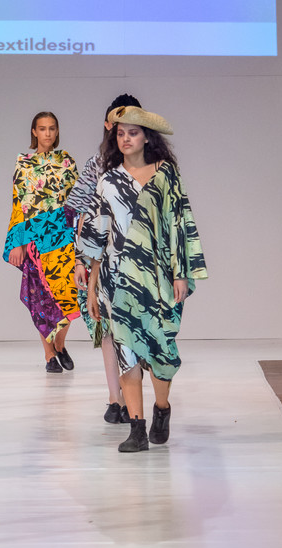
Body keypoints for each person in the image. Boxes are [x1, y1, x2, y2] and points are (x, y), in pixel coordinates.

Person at [77, 105, 207, 452]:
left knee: (162, 350)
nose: (125, 139)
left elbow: (179, 225)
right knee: (126, 351)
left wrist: (181, 273)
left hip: (158, 277)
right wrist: (91, 288)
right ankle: (137, 427)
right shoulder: (108, 181)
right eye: (120, 133)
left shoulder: (165, 175)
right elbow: (97, 237)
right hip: (117, 279)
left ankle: (161, 408)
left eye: (132, 133)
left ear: (147, 137)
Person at [66, 93, 141, 424]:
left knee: (135, 329)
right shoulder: (96, 165)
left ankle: (133, 399)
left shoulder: (151, 166)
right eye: (115, 122)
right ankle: (116, 398)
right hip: (99, 258)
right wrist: (79, 260)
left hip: (139, 260)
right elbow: (78, 213)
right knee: (106, 328)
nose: (119, 129)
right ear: (108, 124)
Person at [3, 111, 79, 372]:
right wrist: (18, 242)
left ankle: (60, 345)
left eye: (52, 128)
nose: (47, 133)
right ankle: (49, 355)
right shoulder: (24, 164)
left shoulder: (66, 162)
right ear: (34, 132)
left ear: (57, 132)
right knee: (42, 298)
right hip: (35, 239)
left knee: (69, 295)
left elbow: (77, 201)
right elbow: (18, 205)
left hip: (63, 237)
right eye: (42, 128)